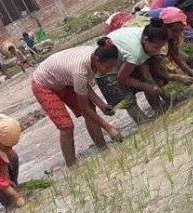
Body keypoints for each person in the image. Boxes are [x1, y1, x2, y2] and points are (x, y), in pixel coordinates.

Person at [31, 39, 124, 167]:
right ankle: (72, 166)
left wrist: (101, 104)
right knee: (66, 126)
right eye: (107, 67)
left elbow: (83, 85)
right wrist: (109, 128)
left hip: (64, 79)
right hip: (44, 83)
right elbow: (84, 107)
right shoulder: (80, 70)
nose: (109, 71)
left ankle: (103, 149)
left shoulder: (93, 56)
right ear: (97, 60)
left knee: (91, 107)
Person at [95, 19, 171, 124]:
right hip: (106, 66)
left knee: (152, 80)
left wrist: (150, 83)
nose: (158, 50)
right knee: (127, 98)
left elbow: (144, 68)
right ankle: (142, 121)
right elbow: (122, 79)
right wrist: (147, 86)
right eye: (156, 47)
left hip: (124, 59)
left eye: (161, 47)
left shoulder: (148, 34)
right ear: (145, 40)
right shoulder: (135, 52)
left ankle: (158, 108)